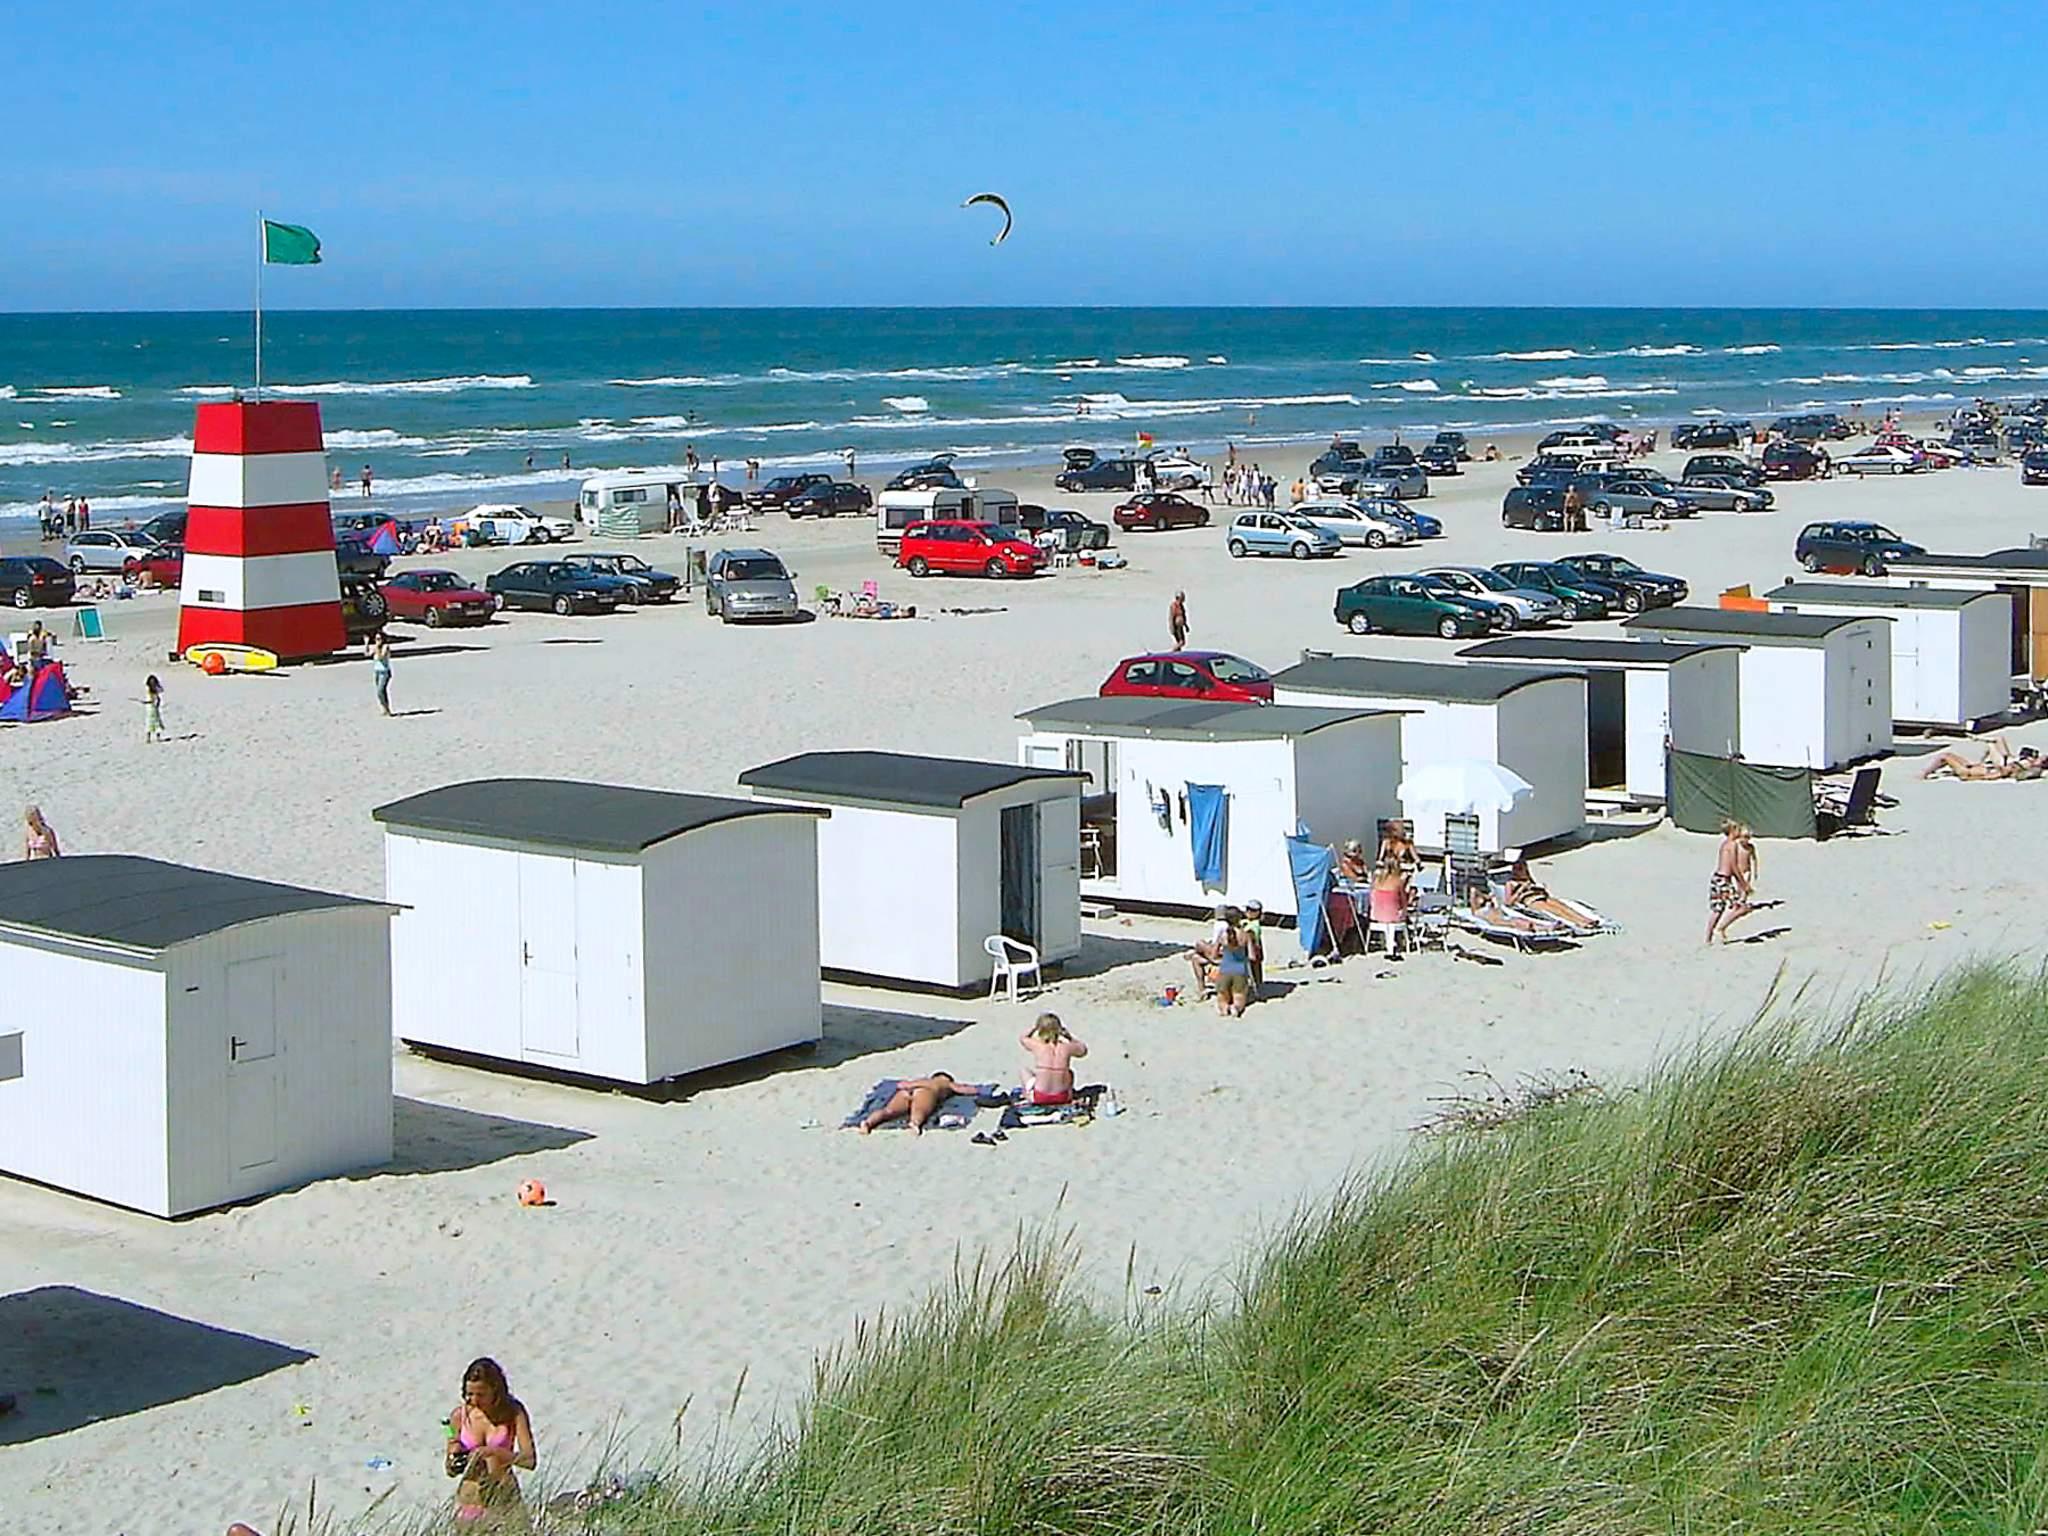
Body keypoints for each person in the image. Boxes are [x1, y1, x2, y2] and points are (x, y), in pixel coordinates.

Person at [447, 1357, 536, 1525]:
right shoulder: (458, 1416)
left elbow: (529, 1460)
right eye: (469, 1394)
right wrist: (453, 1460)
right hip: (470, 1502)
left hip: (504, 1498)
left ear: (495, 1390)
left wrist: (495, 1452)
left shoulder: (514, 1412)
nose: (474, 1400)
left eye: (481, 1395)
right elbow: (449, 1465)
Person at [858, 1073, 965, 1135]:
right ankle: (915, 1124)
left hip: (907, 1089)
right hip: (925, 1091)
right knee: (919, 1110)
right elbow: (963, 1089)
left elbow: (902, 1084)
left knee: (888, 1111)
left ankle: (868, 1123)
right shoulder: (946, 1083)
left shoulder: (923, 1079)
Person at [1706, 818, 1756, 945]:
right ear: (1733, 831)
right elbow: (1734, 866)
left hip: (1717, 878)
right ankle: (1721, 928)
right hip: (1723, 880)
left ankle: (1708, 937)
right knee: (1741, 907)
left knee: (1718, 910)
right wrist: (1744, 884)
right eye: (1738, 829)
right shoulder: (1732, 845)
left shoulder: (1724, 844)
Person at [1020, 1014, 1088, 1106]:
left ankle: (1027, 1094)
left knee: (1024, 1071)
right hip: (1063, 1097)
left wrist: (1034, 1028)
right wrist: (1069, 1037)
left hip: (1039, 1098)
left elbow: (1023, 1038)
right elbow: (1083, 1050)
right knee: (1070, 1073)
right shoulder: (1066, 1047)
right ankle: (1069, 1093)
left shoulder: (1038, 1046)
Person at [1213, 914, 1253, 1016]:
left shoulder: (1223, 935)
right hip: (1240, 970)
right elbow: (1252, 957)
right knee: (1239, 999)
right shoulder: (1245, 935)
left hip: (1225, 969)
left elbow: (1214, 955)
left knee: (1222, 999)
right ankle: (1235, 1008)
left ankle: (1225, 1008)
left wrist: (1222, 956)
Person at [1242, 900, 1266, 993]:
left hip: (1254, 949)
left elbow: (1251, 935)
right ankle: (1258, 986)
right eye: (1247, 909)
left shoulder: (1255, 925)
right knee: (1256, 970)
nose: (1247, 911)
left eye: (1251, 910)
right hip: (1255, 948)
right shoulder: (1248, 922)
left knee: (1254, 970)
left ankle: (1257, 988)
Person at [369, 632, 393, 717]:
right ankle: (384, 708)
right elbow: (367, 654)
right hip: (377, 671)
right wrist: (366, 644)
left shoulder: (385, 647)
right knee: (380, 692)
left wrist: (377, 649)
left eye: (379, 639)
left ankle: (387, 708)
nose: (377, 641)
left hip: (385, 672)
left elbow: (381, 657)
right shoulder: (375, 647)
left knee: (380, 690)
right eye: (376, 639)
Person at [143, 674, 166, 742]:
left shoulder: (155, 689)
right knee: (150, 721)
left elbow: (161, 690)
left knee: (156, 721)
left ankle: (157, 737)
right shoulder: (149, 690)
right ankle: (148, 738)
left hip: (155, 707)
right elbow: (150, 699)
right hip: (150, 708)